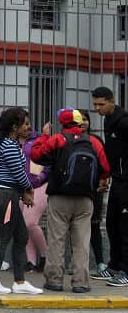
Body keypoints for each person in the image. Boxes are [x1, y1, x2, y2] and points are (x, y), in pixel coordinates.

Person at [31, 108, 111, 293]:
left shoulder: (57, 139)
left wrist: (43, 136)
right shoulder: (93, 142)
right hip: (85, 199)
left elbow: (37, 155)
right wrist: (99, 180)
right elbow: (106, 167)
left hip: (60, 197)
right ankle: (81, 282)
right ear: (79, 123)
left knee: (56, 240)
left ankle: (55, 280)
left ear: (62, 123)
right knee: (82, 242)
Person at [0, 107, 42, 295]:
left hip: (6, 194)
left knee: (22, 236)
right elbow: (18, 172)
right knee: (3, 238)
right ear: (14, 126)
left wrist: (22, 191)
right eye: (25, 123)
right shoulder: (8, 144)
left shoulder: (1, 142)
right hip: (6, 197)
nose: (29, 126)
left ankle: (19, 281)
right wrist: (29, 188)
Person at [92, 86, 128, 287]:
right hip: (116, 180)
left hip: (126, 182)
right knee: (112, 223)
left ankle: (126, 270)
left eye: (101, 104)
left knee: (125, 227)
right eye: (95, 105)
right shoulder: (108, 120)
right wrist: (106, 175)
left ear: (111, 101)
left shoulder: (124, 122)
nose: (98, 109)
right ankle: (114, 266)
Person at [80, 109, 114, 281]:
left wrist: (103, 180)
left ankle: (100, 262)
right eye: (81, 119)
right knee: (75, 228)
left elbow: (105, 165)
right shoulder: (70, 140)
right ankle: (77, 263)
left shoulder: (95, 140)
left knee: (93, 227)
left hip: (94, 191)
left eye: (86, 119)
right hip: (77, 191)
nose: (84, 122)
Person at [21, 121, 51, 273]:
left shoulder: (39, 138)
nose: (25, 127)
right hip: (21, 186)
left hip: (38, 185)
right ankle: (31, 261)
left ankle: (46, 256)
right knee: (25, 225)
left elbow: (49, 162)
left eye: (26, 123)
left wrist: (42, 177)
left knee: (30, 222)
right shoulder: (12, 141)